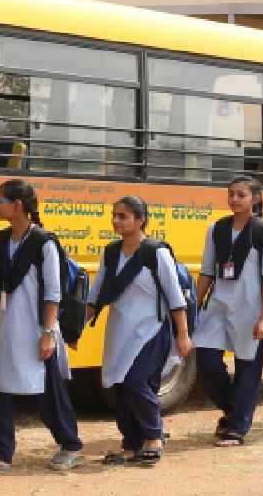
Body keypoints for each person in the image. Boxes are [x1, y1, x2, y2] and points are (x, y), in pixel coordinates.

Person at [0, 180, 85, 475]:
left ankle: (71, 446)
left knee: (49, 390)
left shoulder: (44, 243)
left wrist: (48, 333)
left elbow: (53, 293)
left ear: (17, 205)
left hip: (35, 328)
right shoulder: (1, 240)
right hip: (6, 324)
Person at [85, 196, 191, 466]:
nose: (116, 221)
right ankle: (132, 444)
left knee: (136, 383)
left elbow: (176, 298)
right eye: (114, 216)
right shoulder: (111, 253)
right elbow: (96, 294)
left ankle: (154, 437)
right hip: (120, 332)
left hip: (152, 330)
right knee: (121, 388)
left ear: (141, 220)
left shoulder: (156, 252)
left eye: (123, 216)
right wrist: (77, 326)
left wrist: (183, 334)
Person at [192, 175, 263, 447]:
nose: (234, 199)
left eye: (241, 195)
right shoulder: (216, 229)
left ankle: (237, 428)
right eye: (231, 194)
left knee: (248, 367)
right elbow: (207, 271)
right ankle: (234, 407)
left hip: (252, 306)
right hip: (219, 303)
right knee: (207, 360)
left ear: (255, 199)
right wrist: (194, 306)